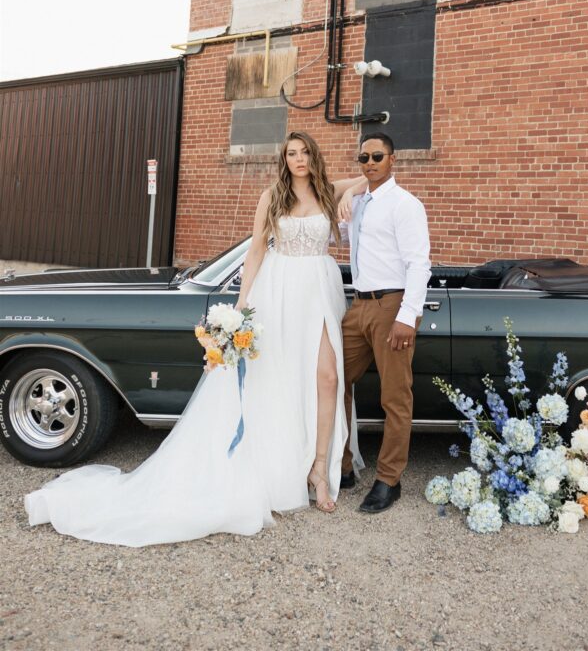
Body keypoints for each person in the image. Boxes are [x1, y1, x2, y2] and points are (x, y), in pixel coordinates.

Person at [24, 132, 364, 545]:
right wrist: (241, 310)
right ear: (284, 159)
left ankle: (319, 468)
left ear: (314, 155)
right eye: (291, 154)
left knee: (327, 378)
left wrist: (349, 197)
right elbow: (256, 252)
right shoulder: (272, 197)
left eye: (304, 152)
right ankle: (285, 465)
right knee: (278, 379)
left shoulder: (329, 191)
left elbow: (371, 177)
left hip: (320, 289)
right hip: (279, 293)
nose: (298, 159)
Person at [338, 132, 431, 514]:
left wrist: (407, 316)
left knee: (394, 396)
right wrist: (347, 197)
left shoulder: (405, 204)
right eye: (364, 157)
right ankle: (341, 466)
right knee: (332, 381)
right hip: (358, 305)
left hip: (392, 305)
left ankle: (389, 479)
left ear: (393, 160)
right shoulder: (358, 202)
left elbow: (418, 263)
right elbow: (341, 236)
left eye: (378, 156)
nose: (371, 162)